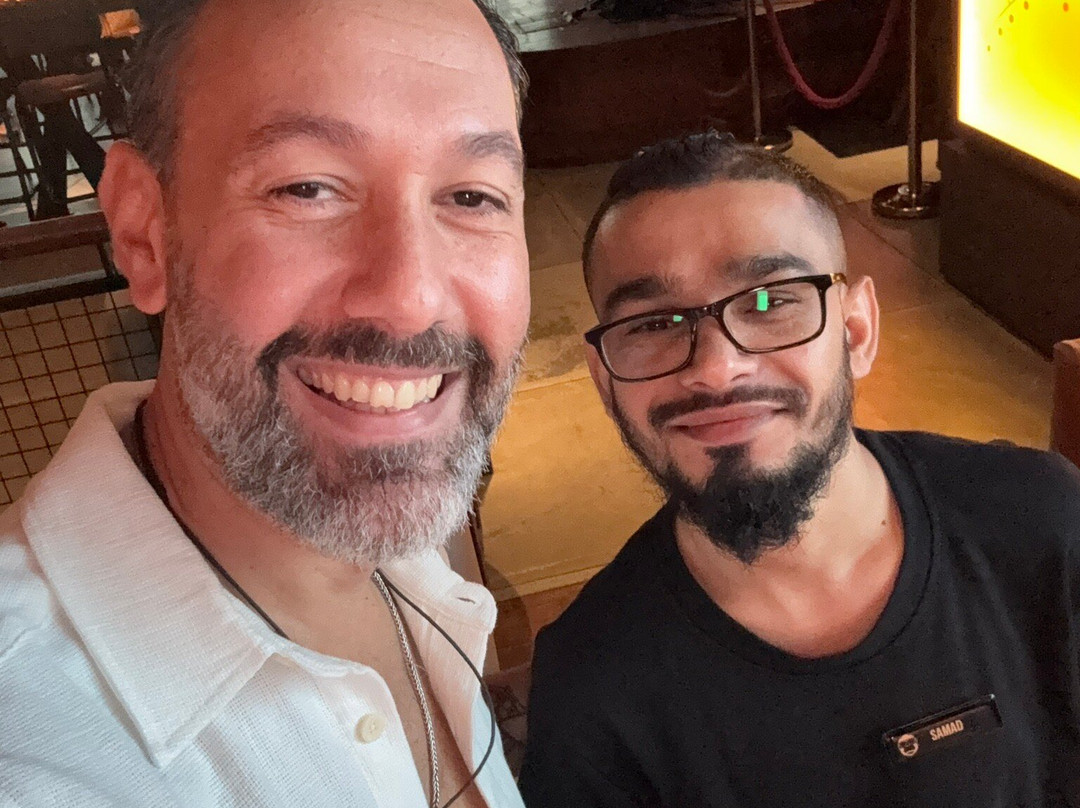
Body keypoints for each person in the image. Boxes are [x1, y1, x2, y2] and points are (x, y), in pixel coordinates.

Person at [0, 0, 530, 805]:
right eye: (307, 188)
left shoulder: (421, 568)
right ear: (144, 232)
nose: (411, 298)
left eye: (473, 197)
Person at [518, 130, 1080, 807]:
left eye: (768, 301)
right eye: (653, 324)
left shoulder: (1041, 526)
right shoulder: (591, 687)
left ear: (857, 332)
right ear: (605, 381)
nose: (717, 369)